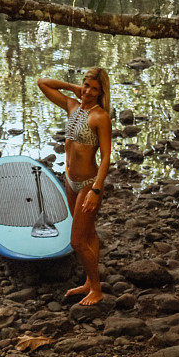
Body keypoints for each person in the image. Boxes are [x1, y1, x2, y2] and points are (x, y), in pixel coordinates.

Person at [37, 68, 112, 305]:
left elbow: (106, 158)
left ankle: (97, 289)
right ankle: (90, 281)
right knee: (88, 233)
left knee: (77, 242)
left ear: (101, 92)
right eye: (86, 85)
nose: (88, 92)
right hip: (70, 181)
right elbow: (42, 83)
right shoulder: (72, 105)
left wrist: (96, 190)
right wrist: (73, 87)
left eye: (94, 89)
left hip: (88, 184)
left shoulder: (100, 117)